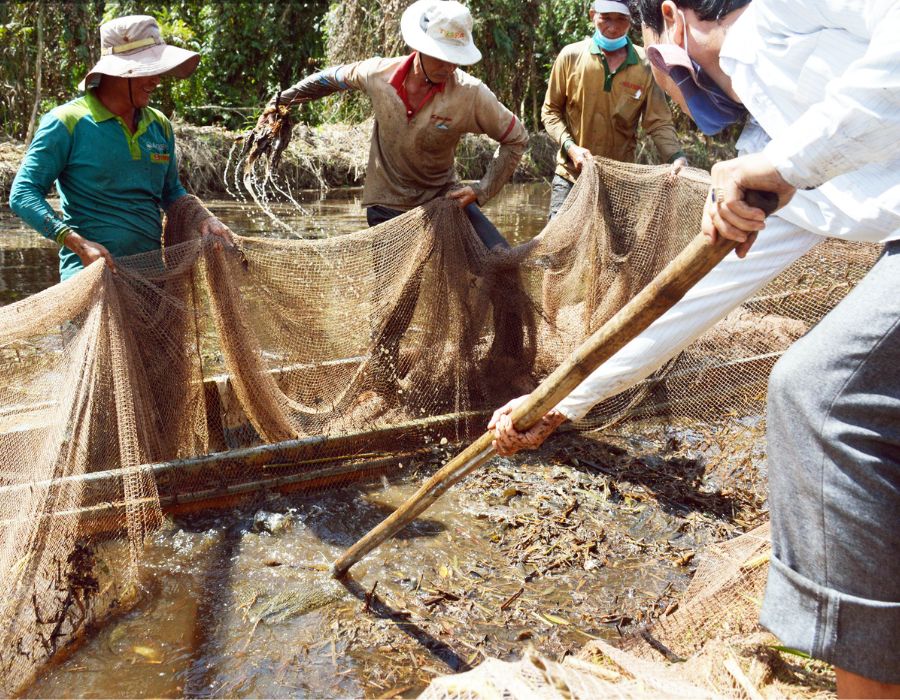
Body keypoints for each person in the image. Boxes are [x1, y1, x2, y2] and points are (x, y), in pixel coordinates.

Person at [489, 0, 899, 695]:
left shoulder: (778, 17)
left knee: (817, 394)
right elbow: (685, 302)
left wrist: (786, 163)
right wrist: (562, 400)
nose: (667, 90)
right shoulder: (768, 146)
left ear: (672, 22)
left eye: (654, 58)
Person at [257, 0, 527, 249]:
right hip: (386, 203)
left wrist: (481, 190)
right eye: (441, 56)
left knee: (499, 259)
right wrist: (280, 102)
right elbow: (328, 79)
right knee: (397, 293)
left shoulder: (470, 94)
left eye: (455, 59)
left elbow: (516, 138)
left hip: (444, 199)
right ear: (418, 48)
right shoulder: (378, 74)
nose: (449, 66)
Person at [9, 15, 233, 282]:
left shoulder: (158, 124)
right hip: (91, 280)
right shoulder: (67, 122)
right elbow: (22, 193)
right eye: (147, 70)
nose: (156, 80)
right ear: (116, 72)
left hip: (152, 281)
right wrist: (78, 244)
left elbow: (171, 192)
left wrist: (202, 219)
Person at [542, 0, 687, 218]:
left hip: (620, 180)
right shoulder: (570, 56)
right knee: (558, 246)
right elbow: (550, 112)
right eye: (606, 18)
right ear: (593, 15)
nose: (613, 27)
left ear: (631, 21)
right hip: (571, 175)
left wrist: (676, 157)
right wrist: (571, 148)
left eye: (621, 19)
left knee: (619, 250)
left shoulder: (646, 64)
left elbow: (658, 123)